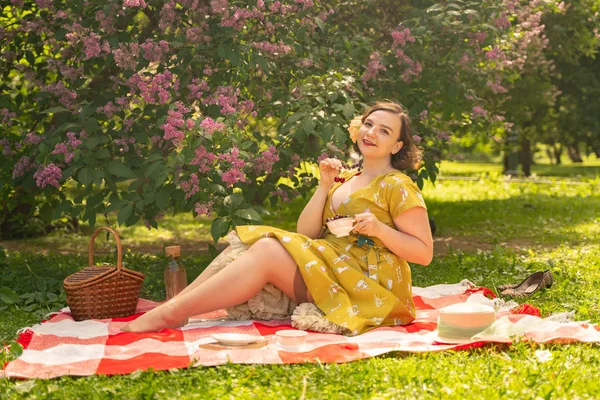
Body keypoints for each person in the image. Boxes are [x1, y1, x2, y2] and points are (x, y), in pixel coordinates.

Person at [121, 101, 433, 335]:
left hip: (369, 287)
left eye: (384, 131)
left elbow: (424, 253)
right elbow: (308, 232)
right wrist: (324, 186)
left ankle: (170, 313)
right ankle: (174, 309)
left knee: (268, 249)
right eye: (369, 124)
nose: (372, 133)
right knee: (251, 245)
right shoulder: (346, 178)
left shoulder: (398, 185)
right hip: (331, 268)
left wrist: (379, 229)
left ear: (398, 145)